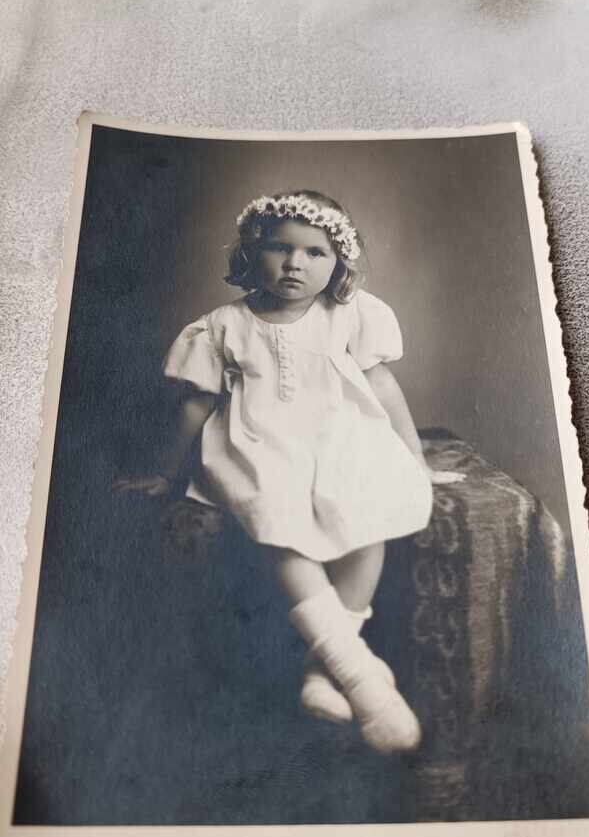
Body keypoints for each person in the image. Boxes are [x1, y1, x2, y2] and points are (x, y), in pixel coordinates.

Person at [115, 190, 437, 753]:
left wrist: (413, 454)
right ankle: (361, 679)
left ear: (339, 261)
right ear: (250, 253)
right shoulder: (223, 326)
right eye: (279, 249)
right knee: (278, 521)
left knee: (369, 516)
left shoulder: (351, 314)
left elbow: (382, 385)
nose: (295, 264)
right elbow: (195, 405)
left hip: (340, 433)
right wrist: (167, 474)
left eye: (315, 252)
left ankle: (319, 675)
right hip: (259, 441)